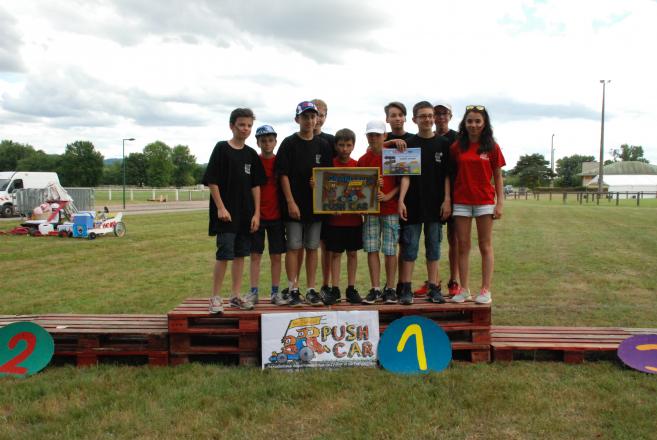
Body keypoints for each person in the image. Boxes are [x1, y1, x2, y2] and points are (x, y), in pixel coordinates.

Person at [203, 108, 266, 314]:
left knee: (241, 255)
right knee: (224, 255)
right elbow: (212, 180)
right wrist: (221, 207)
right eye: (241, 124)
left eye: (249, 125)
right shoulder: (221, 149)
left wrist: (256, 213)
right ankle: (215, 298)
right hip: (226, 215)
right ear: (232, 126)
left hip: (246, 215)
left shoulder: (251, 155)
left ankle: (235, 295)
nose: (245, 129)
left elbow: (256, 186)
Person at [444, 105, 505, 305]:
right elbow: (449, 174)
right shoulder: (456, 147)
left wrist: (500, 203)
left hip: (484, 202)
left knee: (485, 246)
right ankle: (464, 289)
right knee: (463, 246)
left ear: (484, 123)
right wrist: (448, 199)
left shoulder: (492, 147)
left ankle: (485, 290)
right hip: (461, 201)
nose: (473, 125)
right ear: (464, 123)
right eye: (470, 121)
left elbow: (497, 176)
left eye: (478, 121)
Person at [275, 101, 332, 306]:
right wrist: (291, 202)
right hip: (294, 206)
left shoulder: (323, 145)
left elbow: (329, 177)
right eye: (305, 117)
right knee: (293, 247)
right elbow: (283, 175)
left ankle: (310, 289)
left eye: (312, 116)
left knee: (312, 248)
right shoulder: (289, 143)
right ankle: (293, 289)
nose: (309, 120)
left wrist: (320, 184)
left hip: (315, 207)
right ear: (297, 119)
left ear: (317, 119)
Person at [397, 101, 451, 305]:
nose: (427, 119)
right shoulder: (409, 143)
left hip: (436, 205)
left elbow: (447, 176)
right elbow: (405, 176)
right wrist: (401, 200)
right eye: (423, 116)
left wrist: (447, 200)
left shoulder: (443, 144)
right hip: (413, 204)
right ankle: (406, 289)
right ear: (415, 119)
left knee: (434, 248)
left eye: (430, 116)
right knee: (410, 248)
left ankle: (434, 287)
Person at [415, 102, 461, 297]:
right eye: (438, 113)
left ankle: (455, 280)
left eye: (444, 113)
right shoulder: (424, 137)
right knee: (434, 240)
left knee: (454, 239)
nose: (441, 116)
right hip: (431, 197)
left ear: (450, 115)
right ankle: (434, 281)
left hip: (454, 194)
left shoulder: (456, 138)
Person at [358, 120, 400, 304]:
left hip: (390, 209)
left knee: (390, 249)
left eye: (377, 135)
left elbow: (401, 183)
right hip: (370, 211)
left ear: (385, 136)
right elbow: (356, 187)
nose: (374, 138)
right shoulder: (363, 160)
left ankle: (390, 288)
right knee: (372, 249)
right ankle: (375, 288)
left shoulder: (393, 156)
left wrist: (389, 195)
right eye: (371, 135)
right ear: (367, 136)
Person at [321, 128, 364, 305]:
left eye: (348, 145)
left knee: (352, 254)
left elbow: (364, 191)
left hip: (354, 219)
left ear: (353, 145)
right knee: (335, 254)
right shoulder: (328, 165)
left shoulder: (358, 166)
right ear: (335, 145)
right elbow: (322, 193)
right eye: (341, 145)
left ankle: (351, 288)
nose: (345, 148)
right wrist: (315, 185)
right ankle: (335, 288)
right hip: (335, 220)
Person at [248, 125, 288, 306]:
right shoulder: (253, 161)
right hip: (257, 216)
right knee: (255, 255)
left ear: (275, 142)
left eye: (270, 140)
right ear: (257, 142)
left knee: (276, 256)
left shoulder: (280, 161)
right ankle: (253, 292)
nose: (267, 143)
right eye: (263, 140)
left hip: (277, 216)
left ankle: (275, 292)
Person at [312, 98, 336, 302]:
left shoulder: (331, 141)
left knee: (326, 246)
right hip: (305, 204)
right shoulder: (297, 140)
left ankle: (325, 285)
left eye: (321, 114)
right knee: (305, 246)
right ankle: (298, 286)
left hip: (328, 204)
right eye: (314, 114)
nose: (317, 119)